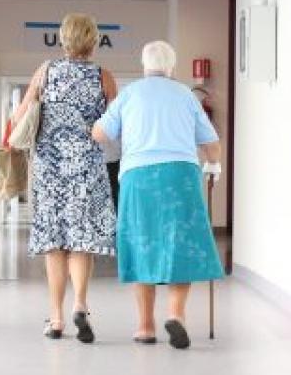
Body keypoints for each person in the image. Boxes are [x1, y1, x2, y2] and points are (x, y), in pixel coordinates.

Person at [92, 40, 224, 349]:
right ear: (172, 67)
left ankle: (145, 326)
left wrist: (100, 121)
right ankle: (176, 315)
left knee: (142, 244)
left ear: (144, 66)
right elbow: (211, 143)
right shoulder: (185, 95)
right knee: (181, 243)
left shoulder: (129, 94)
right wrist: (214, 165)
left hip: (139, 177)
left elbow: (101, 134)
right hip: (181, 175)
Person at [10, 13, 118, 343]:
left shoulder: (46, 71)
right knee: (81, 240)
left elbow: (18, 117)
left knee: (54, 244)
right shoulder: (103, 77)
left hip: (50, 168)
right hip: (86, 167)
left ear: (63, 40)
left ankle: (56, 318)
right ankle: (81, 306)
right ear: (94, 40)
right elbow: (115, 127)